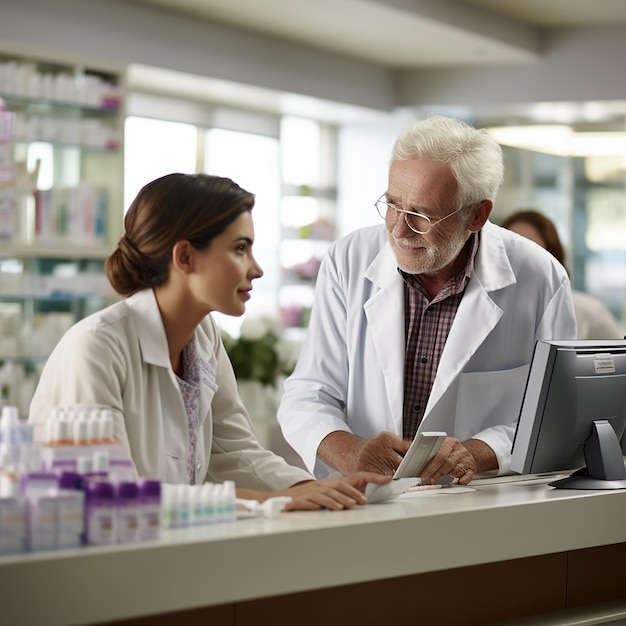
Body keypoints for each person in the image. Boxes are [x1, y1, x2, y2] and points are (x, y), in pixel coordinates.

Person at [28, 173, 389, 511]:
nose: (256, 268)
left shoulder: (202, 336)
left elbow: (236, 451)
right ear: (184, 256)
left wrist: (304, 489)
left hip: (169, 548)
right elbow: (111, 493)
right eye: (240, 248)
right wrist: (271, 500)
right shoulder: (96, 347)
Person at [277, 116, 577, 484]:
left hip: (479, 503)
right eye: (392, 204)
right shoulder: (348, 260)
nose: (400, 230)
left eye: (422, 214)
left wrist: (478, 452)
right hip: (368, 499)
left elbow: (557, 414)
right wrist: (350, 450)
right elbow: (308, 392)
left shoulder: (541, 277)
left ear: (478, 214)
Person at [501, 209, 625, 340]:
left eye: (532, 254)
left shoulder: (586, 313)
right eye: (511, 251)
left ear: (554, 260)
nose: (520, 262)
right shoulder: (491, 311)